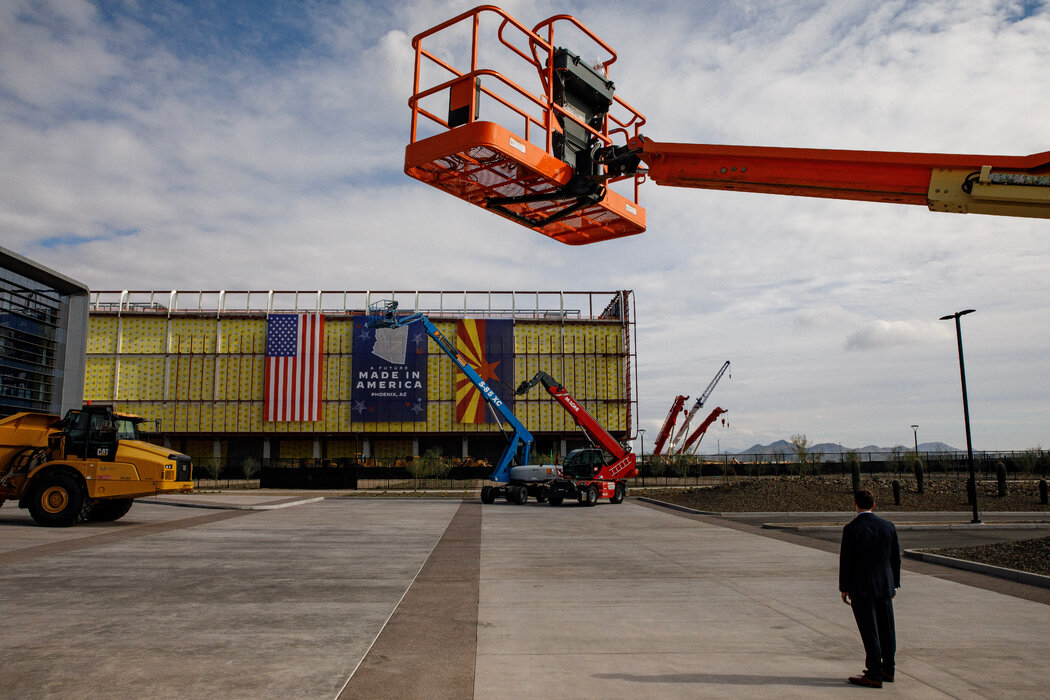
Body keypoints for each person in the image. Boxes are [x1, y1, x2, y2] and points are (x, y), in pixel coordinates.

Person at [839, 489, 901, 689]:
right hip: (884, 585)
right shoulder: (888, 527)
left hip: (862, 586)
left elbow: (846, 560)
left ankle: (874, 672)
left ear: (855, 504)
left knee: (870, 631)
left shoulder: (852, 528)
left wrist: (844, 587)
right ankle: (888, 669)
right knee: (887, 629)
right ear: (874, 505)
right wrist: (894, 583)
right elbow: (895, 559)